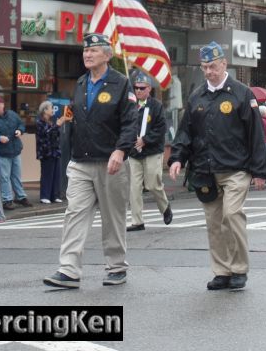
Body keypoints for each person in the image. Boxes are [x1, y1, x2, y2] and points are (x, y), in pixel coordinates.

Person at [168, 41, 266, 291]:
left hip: (236, 169)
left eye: (213, 66)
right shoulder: (197, 96)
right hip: (205, 171)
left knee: (231, 215)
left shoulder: (242, 93)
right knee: (214, 223)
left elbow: (255, 134)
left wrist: (259, 170)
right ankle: (222, 271)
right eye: (204, 67)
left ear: (224, 64)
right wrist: (178, 157)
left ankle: (239, 269)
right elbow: (185, 133)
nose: (209, 71)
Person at [43, 33, 138, 288]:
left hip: (111, 163)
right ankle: (69, 270)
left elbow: (131, 123)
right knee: (74, 214)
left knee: (113, 217)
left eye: (94, 50)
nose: (87, 54)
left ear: (107, 55)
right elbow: (73, 120)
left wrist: (121, 150)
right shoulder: (82, 83)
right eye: (86, 51)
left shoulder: (121, 83)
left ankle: (116, 266)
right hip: (81, 162)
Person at [127, 73, 173, 232]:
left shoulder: (156, 106)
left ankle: (165, 207)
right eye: (136, 88)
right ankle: (137, 221)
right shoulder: (130, 106)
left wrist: (145, 140)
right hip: (134, 153)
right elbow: (125, 126)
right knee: (134, 187)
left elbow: (161, 129)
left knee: (153, 183)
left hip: (152, 150)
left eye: (142, 88)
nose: (138, 91)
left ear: (149, 89)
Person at [0, 96, 32, 209]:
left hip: (15, 150)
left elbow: (21, 124)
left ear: (2, 105)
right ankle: (7, 199)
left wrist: (20, 130)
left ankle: (20, 197)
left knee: (16, 176)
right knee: (4, 177)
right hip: (2, 152)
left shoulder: (12, 114)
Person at [36, 101, 66, 204]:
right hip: (46, 152)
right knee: (47, 174)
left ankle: (55, 195)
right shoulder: (40, 122)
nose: (53, 110)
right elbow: (46, 133)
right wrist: (57, 126)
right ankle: (45, 196)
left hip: (55, 151)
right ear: (45, 110)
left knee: (56, 174)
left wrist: (57, 126)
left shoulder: (51, 121)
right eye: (51, 108)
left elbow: (54, 134)